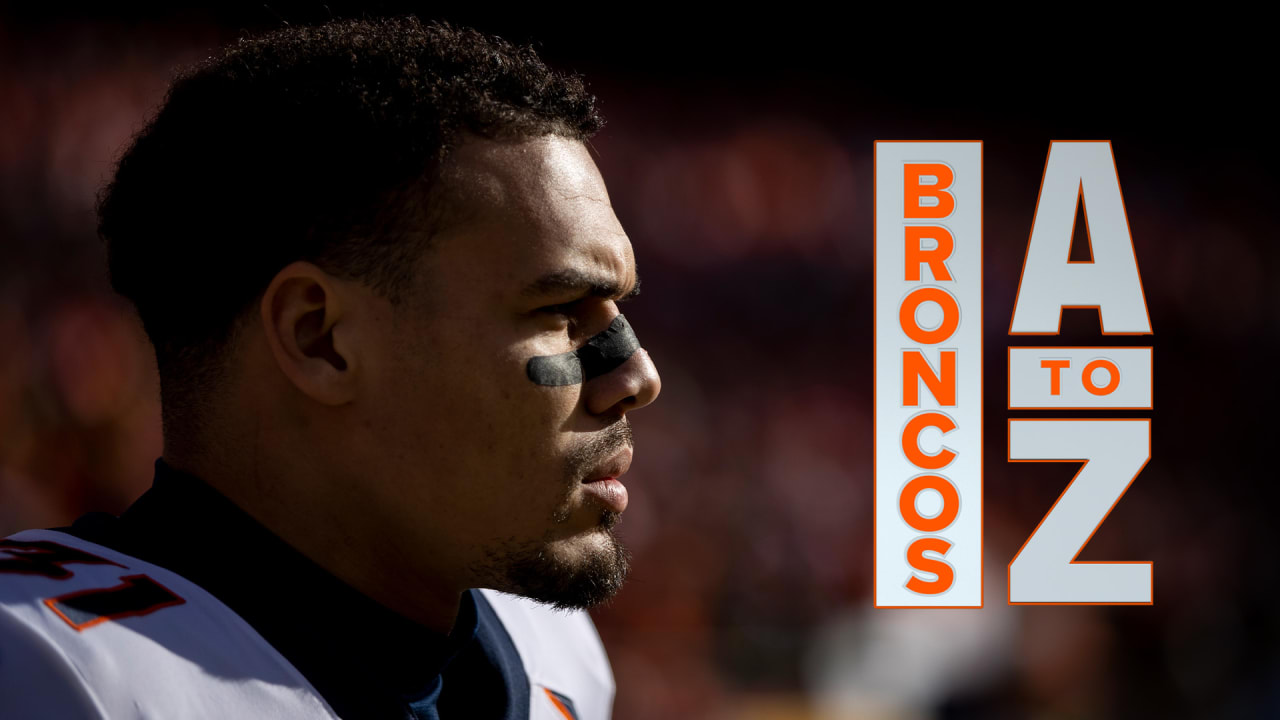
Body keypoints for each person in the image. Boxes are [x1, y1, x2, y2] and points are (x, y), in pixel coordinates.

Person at [0, 16, 661, 720]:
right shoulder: (44, 671)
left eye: (616, 309)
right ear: (319, 339)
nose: (637, 376)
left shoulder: (547, 652)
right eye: (561, 311)